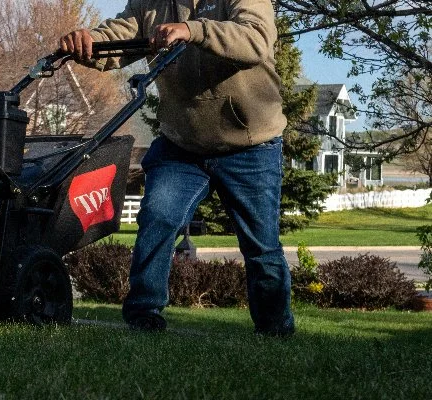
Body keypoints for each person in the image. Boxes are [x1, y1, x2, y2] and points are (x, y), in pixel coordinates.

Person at [59, 0, 295, 336]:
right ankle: (143, 316)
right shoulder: (149, 3)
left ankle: (275, 329)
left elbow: (255, 39)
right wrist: (88, 44)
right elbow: (122, 34)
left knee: (261, 243)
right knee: (158, 217)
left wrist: (193, 30)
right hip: (182, 143)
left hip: (251, 141)